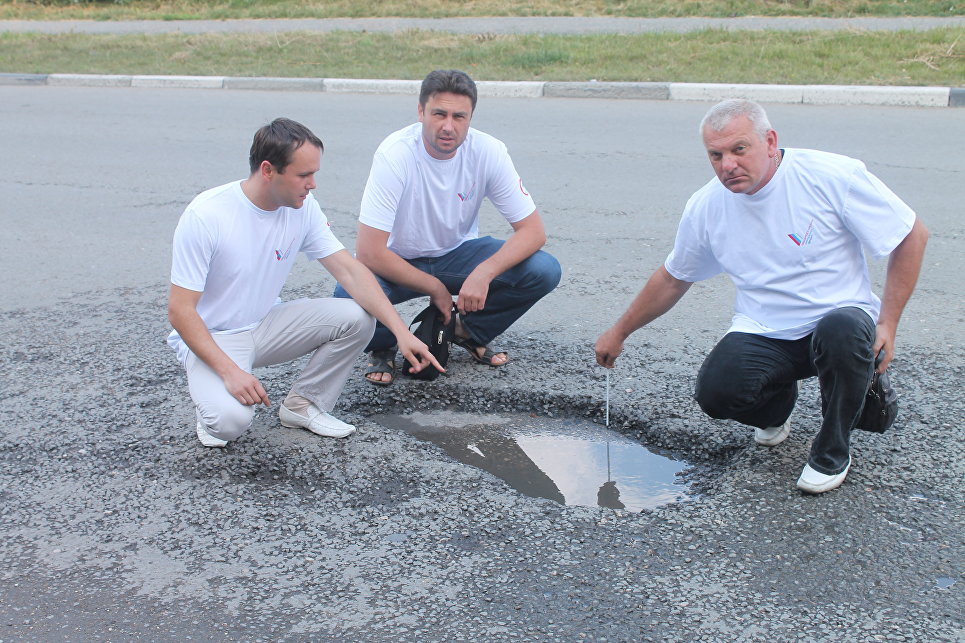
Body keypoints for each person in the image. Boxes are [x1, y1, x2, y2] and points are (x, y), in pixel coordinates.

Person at [595, 99, 928, 494]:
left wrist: (888, 322)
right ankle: (777, 407)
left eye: (739, 149)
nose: (727, 165)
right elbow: (673, 278)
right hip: (767, 330)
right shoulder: (707, 206)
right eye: (715, 155)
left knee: (841, 329)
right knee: (717, 393)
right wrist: (619, 332)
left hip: (841, 322)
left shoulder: (830, 175)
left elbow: (911, 234)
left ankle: (832, 449)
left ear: (770, 141)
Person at [168, 118, 442, 448]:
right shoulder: (207, 216)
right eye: (303, 175)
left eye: (314, 174)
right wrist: (229, 372)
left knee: (356, 318)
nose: (312, 184)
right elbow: (180, 311)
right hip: (214, 337)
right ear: (268, 170)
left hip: (266, 323)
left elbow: (349, 271)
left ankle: (303, 405)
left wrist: (400, 331)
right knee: (228, 424)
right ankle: (211, 403)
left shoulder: (302, 207)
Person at [334, 69, 562, 386]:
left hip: (458, 255)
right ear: (420, 112)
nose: (448, 126)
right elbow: (371, 252)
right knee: (347, 294)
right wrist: (435, 288)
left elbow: (533, 232)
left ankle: (468, 330)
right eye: (439, 114)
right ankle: (384, 345)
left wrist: (484, 272)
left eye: (459, 117)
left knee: (544, 269)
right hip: (397, 261)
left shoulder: (488, 151)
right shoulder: (395, 154)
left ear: (470, 118)